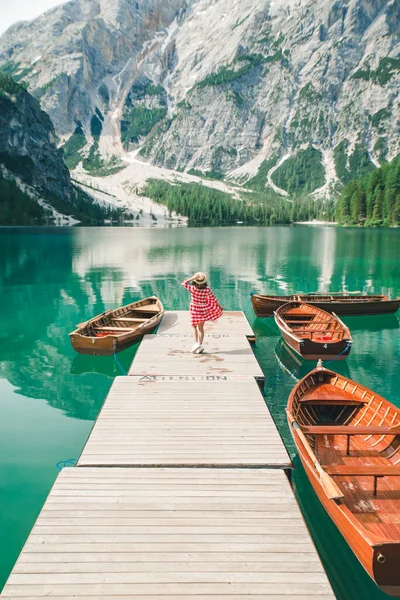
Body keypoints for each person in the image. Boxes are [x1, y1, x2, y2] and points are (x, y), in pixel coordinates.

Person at [181, 272, 223, 353]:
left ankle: (196, 343)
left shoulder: (192, 288)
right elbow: (214, 298)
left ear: (195, 281)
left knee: (194, 326)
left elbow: (183, 283)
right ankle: (200, 345)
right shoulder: (207, 290)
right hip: (203, 309)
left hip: (194, 309)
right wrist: (219, 306)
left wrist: (192, 278)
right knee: (201, 328)